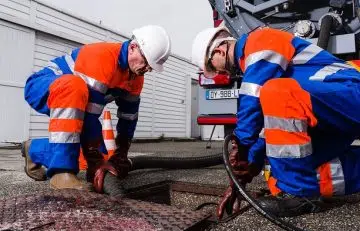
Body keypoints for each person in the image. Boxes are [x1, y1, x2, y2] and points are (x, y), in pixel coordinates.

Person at [192, 26, 360, 218]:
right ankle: (308, 187)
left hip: (353, 92)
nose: (219, 71)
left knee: (275, 92)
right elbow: (274, 125)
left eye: (213, 66)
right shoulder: (263, 69)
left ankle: (301, 194)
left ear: (219, 50)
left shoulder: (259, 40)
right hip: (332, 112)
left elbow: (252, 102)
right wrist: (247, 171)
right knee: (278, 180)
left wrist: (241, 145)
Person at [22, 25, 171, 191]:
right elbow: (88, 117)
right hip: (42, 86)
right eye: (147, 62)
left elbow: (129, 117)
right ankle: (61, 174)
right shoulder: (102, 57)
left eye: (151, 67)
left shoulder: (136, 76)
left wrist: (120, 154)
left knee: (80, 154)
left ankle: (34, 150)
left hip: (74, 98)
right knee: (74, 87)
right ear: (133, 47)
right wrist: (96, 160)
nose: (148, 69)